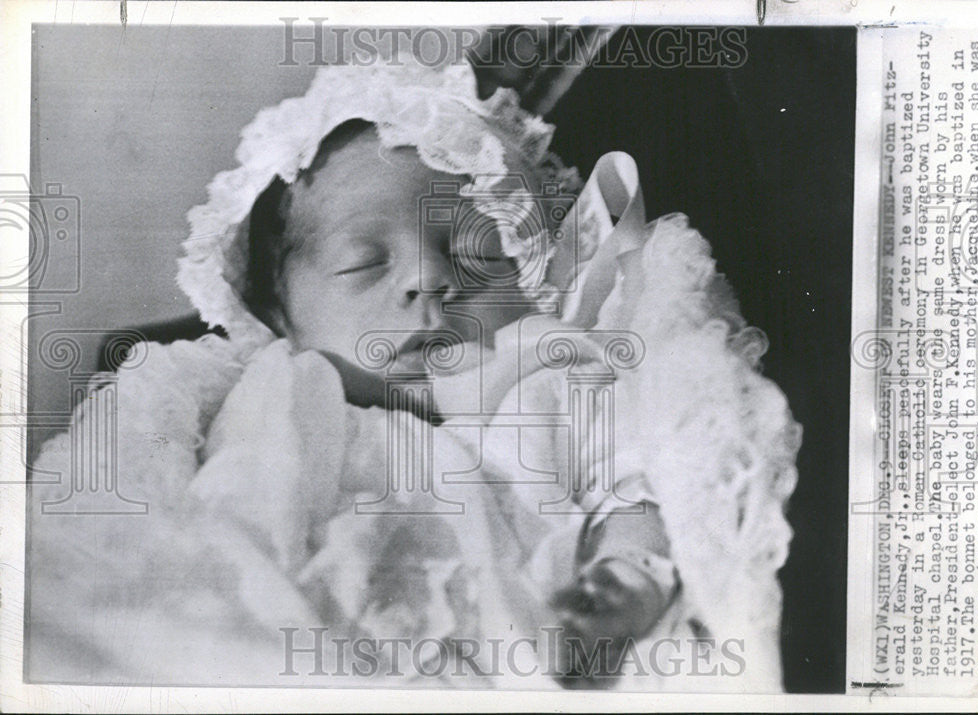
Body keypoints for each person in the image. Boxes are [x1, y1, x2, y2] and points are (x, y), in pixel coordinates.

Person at [28, 54, 800, 690]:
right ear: (279, 311)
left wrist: (627, 578)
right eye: (364, 262)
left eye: (476, 258)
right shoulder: (272, 387)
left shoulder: (544, 390)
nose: (429, 283)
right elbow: (167, 531)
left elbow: (632, 486)